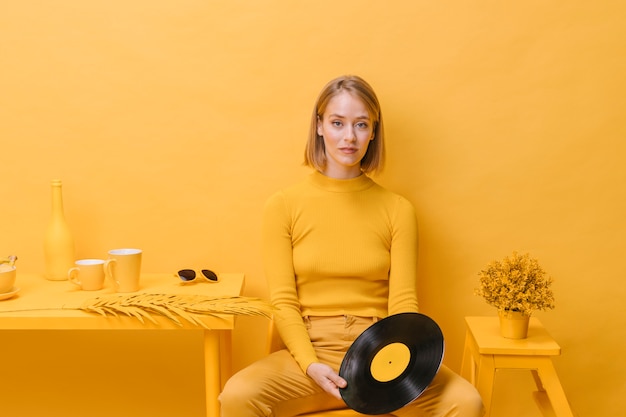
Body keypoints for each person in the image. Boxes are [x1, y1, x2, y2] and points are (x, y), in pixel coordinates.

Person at [219, 75, 484, 417]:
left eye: (361, 124)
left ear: (373, 131)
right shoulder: (283, 205)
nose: (349, 137)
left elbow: (404, 302)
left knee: (466, 402)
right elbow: (283, 302)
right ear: (319, 126)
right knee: (238, 396)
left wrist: (403, 363)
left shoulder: (397, 209)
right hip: (310, 354)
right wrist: (311, 365)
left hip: (382, 351)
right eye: (337, 123)